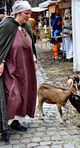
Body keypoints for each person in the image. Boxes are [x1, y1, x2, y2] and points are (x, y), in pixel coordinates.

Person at [0, 0, 37, 141]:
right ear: (17, 12)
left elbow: (32, 46)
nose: (29, 16)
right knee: (12, 93)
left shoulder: (26, 26)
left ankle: (15, 121)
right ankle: (5, 124)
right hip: (10, 67)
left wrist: (34, 60)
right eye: (26, 13)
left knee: (22, 93)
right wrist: (1, 61)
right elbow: (1, 44)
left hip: (25, 67)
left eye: (29, 13)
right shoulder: (6, 25)